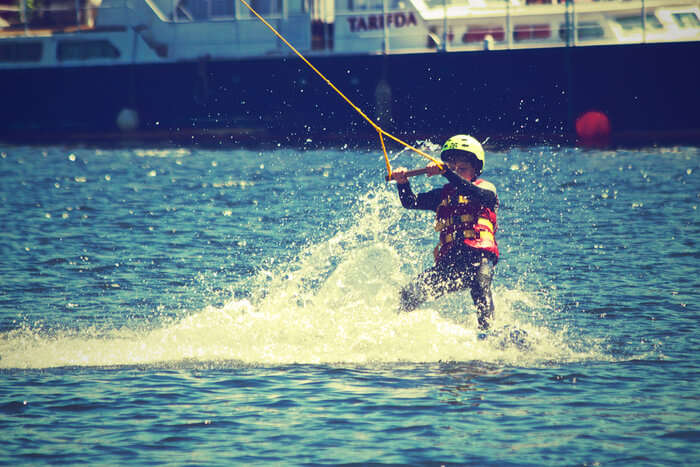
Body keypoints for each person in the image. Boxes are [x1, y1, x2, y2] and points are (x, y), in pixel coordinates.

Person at [392, 135, 499, 330]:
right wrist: (402, 182)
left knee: (480, 287)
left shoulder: (485, 188)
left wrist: (448, 173)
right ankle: (397, 330)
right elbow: (410, 202)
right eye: (453, 167)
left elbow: (478, 195)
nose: (457, 171)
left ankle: (489, 334)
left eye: (463, 168)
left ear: (475, 170)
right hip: (451, 264)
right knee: (409, 293)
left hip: (479, 259)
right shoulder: (440, 196)